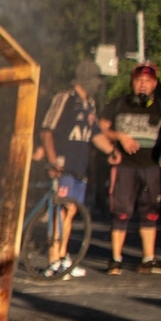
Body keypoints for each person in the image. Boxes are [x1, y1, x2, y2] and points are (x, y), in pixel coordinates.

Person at [94, 63, 161, 275]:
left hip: (151, 167)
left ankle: (148, 259)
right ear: (132, 83)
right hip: (124, 166)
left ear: (154, 84)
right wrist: (120, 137)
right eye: (138, 81)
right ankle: (115, 259)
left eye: (147, 81)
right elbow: (100, 128)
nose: (142, 85)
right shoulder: (118, 104)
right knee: (121, 212)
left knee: (150, 213)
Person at [36, 61, 100, 280]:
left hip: (79, 167)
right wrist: (54, 161)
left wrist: (112, 151)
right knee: (59, 210)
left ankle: (63, 256)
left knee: (71, 211)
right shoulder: (65, 98)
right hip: (63, 164)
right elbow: (46, 130)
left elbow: (96, 134)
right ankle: (53, 260)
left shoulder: (90, 104)